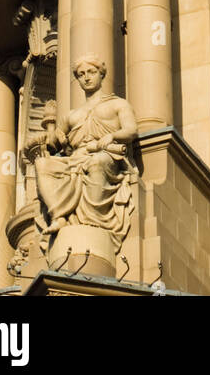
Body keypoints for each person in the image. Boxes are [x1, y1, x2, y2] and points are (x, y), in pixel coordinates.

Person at [34, 56, 137, 249]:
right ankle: (59, 216)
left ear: (101, 74)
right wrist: (53, 134)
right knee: (42, 165)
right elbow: (54, 143)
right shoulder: (72, 114)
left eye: (91, 72)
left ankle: (93, 220)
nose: (86, 78)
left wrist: (112, 136)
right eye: (81, 75)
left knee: (97, 162)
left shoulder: (117, 104)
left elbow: (131, 130)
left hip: (106, 155)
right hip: (76, 157)